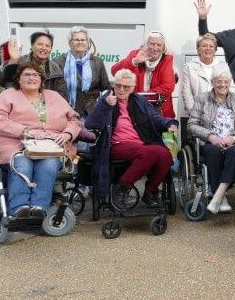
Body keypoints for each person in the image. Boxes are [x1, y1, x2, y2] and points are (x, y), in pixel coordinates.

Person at [0, 61, 82, 218]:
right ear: (19, 79)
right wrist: (25, 131)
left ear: (42, 79)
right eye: (26, 75)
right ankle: (19, 208)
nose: (31, 78)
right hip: (18, 144)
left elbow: (75, 120)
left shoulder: (55, 96)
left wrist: (67, 134)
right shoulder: (8, 95)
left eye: (35, 75)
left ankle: (39, 207)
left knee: (49, 166)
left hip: (52, 146)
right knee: (22, 165)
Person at [85, 69, 179, 210]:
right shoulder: (106, 99)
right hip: (116, 145)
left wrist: (169, 123)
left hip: (141, 143)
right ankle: (123, 187)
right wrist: (105, 105)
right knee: (147, 152)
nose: (121, 89)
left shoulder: (138, 100)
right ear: (114, 85)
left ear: (133, 88)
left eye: (126, 87)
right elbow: (90, 124)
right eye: (118, 85)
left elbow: (154, 117)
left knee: (165, 155)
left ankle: (150, 191)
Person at [187, 70, 235, 214]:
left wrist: (234, 137)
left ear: (230, 84)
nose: (222, 85)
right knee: (214, 152)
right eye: (219, 81)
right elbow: (192, 124)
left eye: (225, 82)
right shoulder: (202, 99)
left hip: (234, 143)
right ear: (212, 83)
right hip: (210, 143)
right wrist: (210, 136)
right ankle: (222, 198)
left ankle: (219, 194)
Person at [111, 31, 177, 119]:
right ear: (146, 44)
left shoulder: (166, 60)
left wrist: (140, 98)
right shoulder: (136, 54)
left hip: (160, 112)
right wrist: (135, 61)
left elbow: (168, 86)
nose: (155, 48)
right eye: (152, 44)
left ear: (163, 47)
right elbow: (114, 71)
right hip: (135, 111)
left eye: (159, 45)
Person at [52, 27, 111, 117]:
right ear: (70, 43)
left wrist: (102, 104)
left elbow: (106, 88)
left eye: (83, 40)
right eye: (76, 40)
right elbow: (51, 90)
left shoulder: (97, 62)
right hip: (65, 112)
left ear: (88, 43)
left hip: (91, 112)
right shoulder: (58, 62)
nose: (80, 42)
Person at [0, 31, 65, 97]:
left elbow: (61, 94)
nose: (44, 48)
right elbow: (1, 81)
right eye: (40, 44)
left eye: (47, 46)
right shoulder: (20, 62)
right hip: (19, 105)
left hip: (46, 106)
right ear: (32, 46)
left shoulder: (56, 68)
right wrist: (13, 61)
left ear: (51, 49)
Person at [180, 33, 235, 114]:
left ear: (215, 50)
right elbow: (186, 93)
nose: (208, 49)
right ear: (198, 49)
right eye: (204, 46)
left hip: (220, 113)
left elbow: (231, 89)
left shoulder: (224, 66)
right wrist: (194, 114)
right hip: (198, 114)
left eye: (211, 46)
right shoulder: (189, 67)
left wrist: (224, 111)